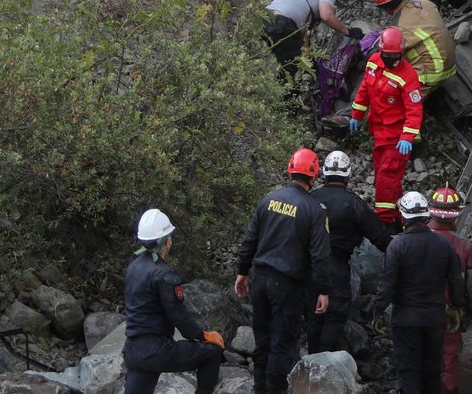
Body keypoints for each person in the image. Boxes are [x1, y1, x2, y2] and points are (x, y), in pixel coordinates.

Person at [235, 149, 332, 394]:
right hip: (287, 286)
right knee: (281, 344)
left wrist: (242, 271)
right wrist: (323, 289)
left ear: (290, 170)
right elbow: (320, 256)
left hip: (260, 279)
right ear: (314, 175)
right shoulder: (314, 209)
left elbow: (250, 240)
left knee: (263, 341)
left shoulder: (269, 199)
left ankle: (260, 388)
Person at [123, 209, 224, 394]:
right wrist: (204, 335)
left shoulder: (133, 268)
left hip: (132, 351)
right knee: (212, 353)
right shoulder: (164, 274)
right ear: (166, 241)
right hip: (156, 351)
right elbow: (178, 316)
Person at [376, 192, 465, 394]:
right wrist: (455, 308)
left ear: (403, 217)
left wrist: (378, 310)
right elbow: (455, 281)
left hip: (405, 320)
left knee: (409, 372)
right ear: (426, 216)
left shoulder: (396, 245)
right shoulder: (443, 244)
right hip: (434, 318)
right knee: (432, 372)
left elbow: (387, 283)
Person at [306, 150, 393, 354]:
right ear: (347, 176)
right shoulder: (354, 203)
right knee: (335, 314)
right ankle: (324, 360)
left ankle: (311, 360)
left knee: (313, 313)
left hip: (309, 266)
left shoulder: (310, 199)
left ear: (324, 174)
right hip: (336, 266)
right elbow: (379, 236)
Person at [349, 28, 425, 225]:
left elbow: (414, 110)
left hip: (396, 138)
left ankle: (384, 220)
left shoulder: (408, 76)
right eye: (387, 55)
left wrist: (407, 137)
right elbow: (365, 88)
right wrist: (356, 114)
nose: (391, 59)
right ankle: (401, 216)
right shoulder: (374, 62)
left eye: (395, 56)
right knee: (387, 177)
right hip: (378, 132)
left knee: (386, 177)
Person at [263, 0, 364, 85]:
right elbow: (327, 16)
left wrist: (311, 61)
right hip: (283, 23)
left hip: (265, 19)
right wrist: (348, 32)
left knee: (285, 62)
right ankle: (286, 102)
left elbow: (302, 34)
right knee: (293, 70)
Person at [427, 187, 472, 394]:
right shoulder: (464, 246)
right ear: (456, 216)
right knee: (448, 359)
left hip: (415, 312)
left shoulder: (411, 240)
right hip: (448, 316)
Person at [373, 0, 457, 94]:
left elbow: (389, 60)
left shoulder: (398, 28)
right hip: (451, 62)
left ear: (385, 8)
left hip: (433, 74)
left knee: (391, 101)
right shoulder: (426, 3)